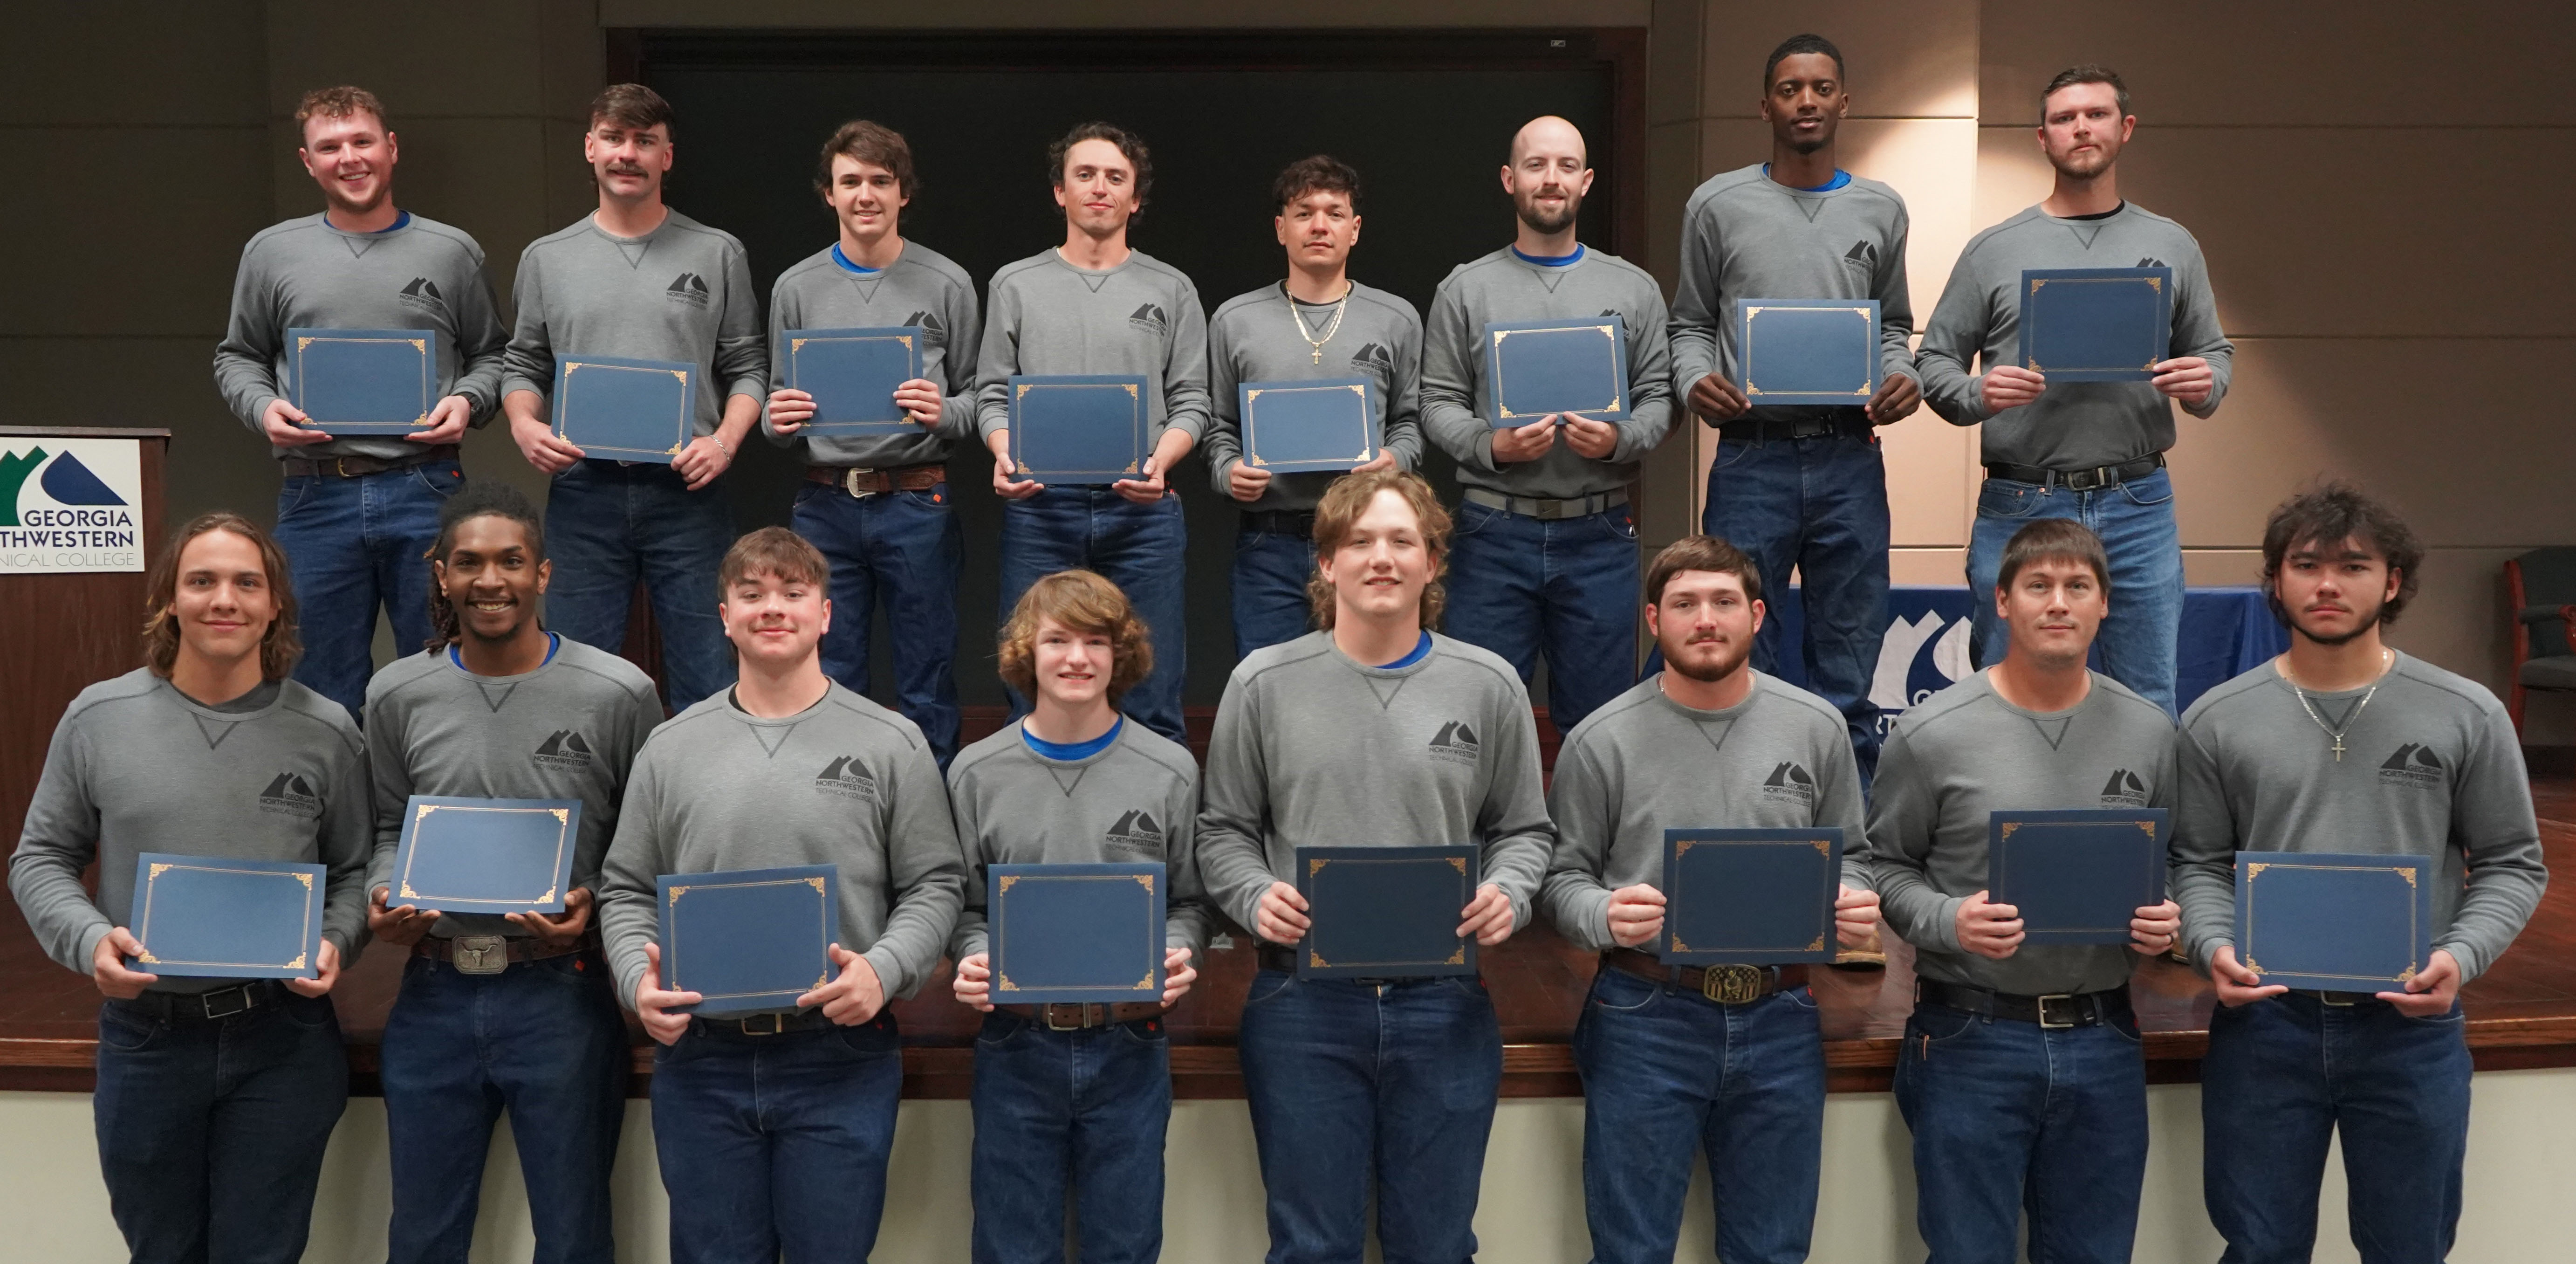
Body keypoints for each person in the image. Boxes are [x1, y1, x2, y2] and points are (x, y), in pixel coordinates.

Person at [2173, 485, 2548, 1263]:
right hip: (2263, 1027)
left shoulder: (2464, 712)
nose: (2326, 584)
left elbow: (2512, 862)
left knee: (2408, 1249)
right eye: (2304, 564)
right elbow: (2197, 862)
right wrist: (2210, 944)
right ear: (2274, 581)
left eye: (2351, 565)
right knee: (2258, 1248)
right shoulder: (2216, 717)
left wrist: (2460, 957)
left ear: (2393, 582)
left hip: (2409, 1029)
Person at [1196, 468, 1555, 1264]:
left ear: (1433, 563)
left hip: (1447, 1006)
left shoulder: (1489, 684)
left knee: (1435, 1246)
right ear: (1325, 565)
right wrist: (1254, 895)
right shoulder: (1262, 683)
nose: (1380, 558)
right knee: (1310, 1246)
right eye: (1358, 542)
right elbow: (1220, 833)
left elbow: (1525, 832)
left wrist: (1508, 890)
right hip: (1300, 1005)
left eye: (1402, 541)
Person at [8, 513, 370, 1264]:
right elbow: (40, 859)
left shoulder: (327, 730)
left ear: (275, 605)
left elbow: (356, 869)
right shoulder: (99, 718)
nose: (223, 600)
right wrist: (88, 939)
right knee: (161, 1250)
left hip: (283, 1040)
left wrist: (336, 939)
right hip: (148, 1040)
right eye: (201, 581)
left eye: (247, 582)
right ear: (170, 601)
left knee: (262, 1253)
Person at [596, 527, 965, 1262]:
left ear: (827, 614)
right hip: (702, 1061)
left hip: (842, 1058)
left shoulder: (893, 741)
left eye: (794, 593)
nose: (774, 608)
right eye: (753, 594)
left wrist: (883, 971)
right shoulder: (670, 747)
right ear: (724, 614)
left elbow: (936, 883)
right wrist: (639, 985)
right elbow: (625, 889)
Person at [1542, 534, 1881, 1264]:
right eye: (1686, 604)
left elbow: (1856, 855)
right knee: (1631, 1252)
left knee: (1773, 1252)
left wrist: (1856, 896)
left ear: (1757, 616)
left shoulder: (1816, 727)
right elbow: (1558, 881)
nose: (1706, 619)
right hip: (1644, 1017)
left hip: (1783, 1015)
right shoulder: (1601, 741)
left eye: (1724, 602)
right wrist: (1601, 915)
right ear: (1653, 621)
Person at [359, 481, 663, 1264]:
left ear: (543, 574)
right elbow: (390, 824)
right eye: (469, 563)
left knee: (573, 1235)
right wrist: (383, 894)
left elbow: (645, 843)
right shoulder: (396, 692)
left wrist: (592, 903)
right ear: (441, 573)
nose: (489, 580)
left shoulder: (619, 691)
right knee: (423, 1237)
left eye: (510, 561)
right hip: (432, 994)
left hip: (561, 992)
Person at [1867, 518, 2184, 1263]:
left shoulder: (2149, 732)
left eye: (2079, 586)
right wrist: (1949, 920)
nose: (2058, 603)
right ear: (2001, 601)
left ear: (2106, 604)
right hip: (1970, 1037)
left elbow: (2185, 862)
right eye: (2038, 586)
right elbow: (1885, 869)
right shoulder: (1929, 732)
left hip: (2105, 1037)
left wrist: (2170, 917)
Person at [1917, 65, 2234, 716]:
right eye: (2065, 118)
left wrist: (2206, 383)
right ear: (2042, 137)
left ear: (2126, 129)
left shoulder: (2172, 244)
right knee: (2005, 698)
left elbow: (2214, 356)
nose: (2081, 128)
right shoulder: (1994, 251)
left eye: (2095, 114)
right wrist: (1979, 392)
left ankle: (2140, 824)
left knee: (2146, 702)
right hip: (2021, 501)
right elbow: (1934, 365)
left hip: (2138, 503)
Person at [1667, 34, 1920, 778]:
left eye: (1820, 88)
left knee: (1850, 654)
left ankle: (1849, 843)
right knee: (1743, 647)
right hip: (1752, 458)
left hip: (1850, 456)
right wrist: (1692, 380)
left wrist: (1899, 372)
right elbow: (1689, 323)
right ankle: (1747, 813)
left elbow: (1896, 324)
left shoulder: (1880, 208)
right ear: (1766, 104)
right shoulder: (1717, 203)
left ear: (1844, 101)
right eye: (1789, 89)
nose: (1805, 102)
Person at [212, 85, 507, 721]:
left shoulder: (451, 252)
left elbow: (494, 356)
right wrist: (265, 409)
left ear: (391, 148)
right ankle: (337, 822)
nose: (350, 157)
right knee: (317, 689)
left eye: (362, 141)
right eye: (331, 146)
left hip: (426, 487)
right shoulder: (272, 253)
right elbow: (237, 357)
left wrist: (468, 403)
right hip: (316, 497)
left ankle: (429, 818)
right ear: (308, 161)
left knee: (443, 676)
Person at [947, 569, 1212, 1264]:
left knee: (1125, 1248)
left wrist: (1180, 953)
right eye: (1058, 640)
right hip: (1015, 1045)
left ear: (1119, 655)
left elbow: (1190, 902)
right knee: (1011, 1250)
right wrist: (973, 953)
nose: (1076, 658)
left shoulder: (1170, 770)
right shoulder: (976, 773)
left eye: (1096, 641)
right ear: (1026, 654)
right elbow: (961, 904)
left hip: (1131, 1044)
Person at [501, 82, 765, 714]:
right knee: (573, 679)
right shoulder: (547, 259)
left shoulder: (717, 252)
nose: (629, 154)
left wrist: (724, 443)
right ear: (590, 149)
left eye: (645, 142)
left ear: (667, 157)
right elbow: (523, 363)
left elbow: (750, 367)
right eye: (615, 139)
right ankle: (588, 813)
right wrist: (523, 425)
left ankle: (702, 811)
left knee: (709, 674)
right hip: (584, 492)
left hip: (688, 493)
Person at [1420, 114, 1676, 737]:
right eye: (1536, 165)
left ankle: (1585, 841)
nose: (1551, 179)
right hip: (1491, 529)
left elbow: (1662, 402)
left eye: (1566, 166)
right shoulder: (1465, 289)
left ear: (1586, 182)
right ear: (1510, 180)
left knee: (1601, 726)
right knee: (1473, 721)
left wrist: (1621, 440)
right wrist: (1491, 446)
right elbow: (1436, 403)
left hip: (1601, 531)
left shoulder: (1633, 289)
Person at [975, 122, 1208, 744]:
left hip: (1145, 515)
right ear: (1060, 191)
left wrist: (1161, 461)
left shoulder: (1172, 288)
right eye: (1085, 175)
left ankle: (1161, 844)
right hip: (1039, 511)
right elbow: (992, 393)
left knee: (1154, 696)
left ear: (1135, 199)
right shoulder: (1015, 284)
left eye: (1116, 178)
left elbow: (1193, 402)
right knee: (1028, 688)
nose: (1099, 188)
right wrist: (1003, 451)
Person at [765, 119, 981, 767]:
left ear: (903, 193)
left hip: (917, 503)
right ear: (828, 194)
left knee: (929, 678)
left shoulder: (948, 283)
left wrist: (944, 411)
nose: (866, 195)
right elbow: (779, 412)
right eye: (850, 181)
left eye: (881, 181)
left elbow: (982, 401)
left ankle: (932, 839)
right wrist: (779, 421)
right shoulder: (796, 287)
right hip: (824, 504)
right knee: (828, 676)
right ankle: (842, 828)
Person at [1204, 155, 1422, 657]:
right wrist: (1227, 470)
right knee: (1267, 690)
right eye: (1303, 213)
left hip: (1365, 540)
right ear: (1281, 229)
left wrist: (1395, 460)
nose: (1319, 225)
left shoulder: (1396, 319)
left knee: (1368, 681)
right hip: (1268, 541)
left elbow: (1409, 422)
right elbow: (1218, 427)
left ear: (1355, 229)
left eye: (1334, 212)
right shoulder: (1234, 320)